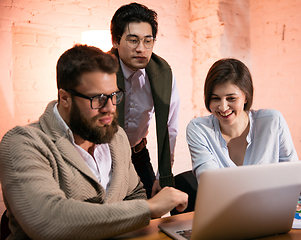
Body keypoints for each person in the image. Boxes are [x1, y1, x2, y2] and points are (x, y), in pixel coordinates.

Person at [0, 45, 187, 240]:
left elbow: (134, 194)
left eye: (114, 96)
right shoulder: (23, 142)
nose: (110, 108)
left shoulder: (117, 137)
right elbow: (47, 220)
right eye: (98, 98)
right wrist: (150, 207)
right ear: (65, 98)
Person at [186, 58, 301, 194]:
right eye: (215, 98)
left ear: (246, 97)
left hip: (269, 212)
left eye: (231, 98)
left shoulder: (272, 122)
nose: (223, 106)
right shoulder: (199, 130)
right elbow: (211, 186)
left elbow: (293, 175)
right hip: (226, 218)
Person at [109, 3, 180, 199]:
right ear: (116, 40)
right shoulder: (100, 72)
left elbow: (170, 126)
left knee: (152, 214)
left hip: (138, 155)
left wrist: (162, 175)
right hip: (106, 156)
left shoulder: (162, 74)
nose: (141, 49)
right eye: (133, 40)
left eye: (148, 41)